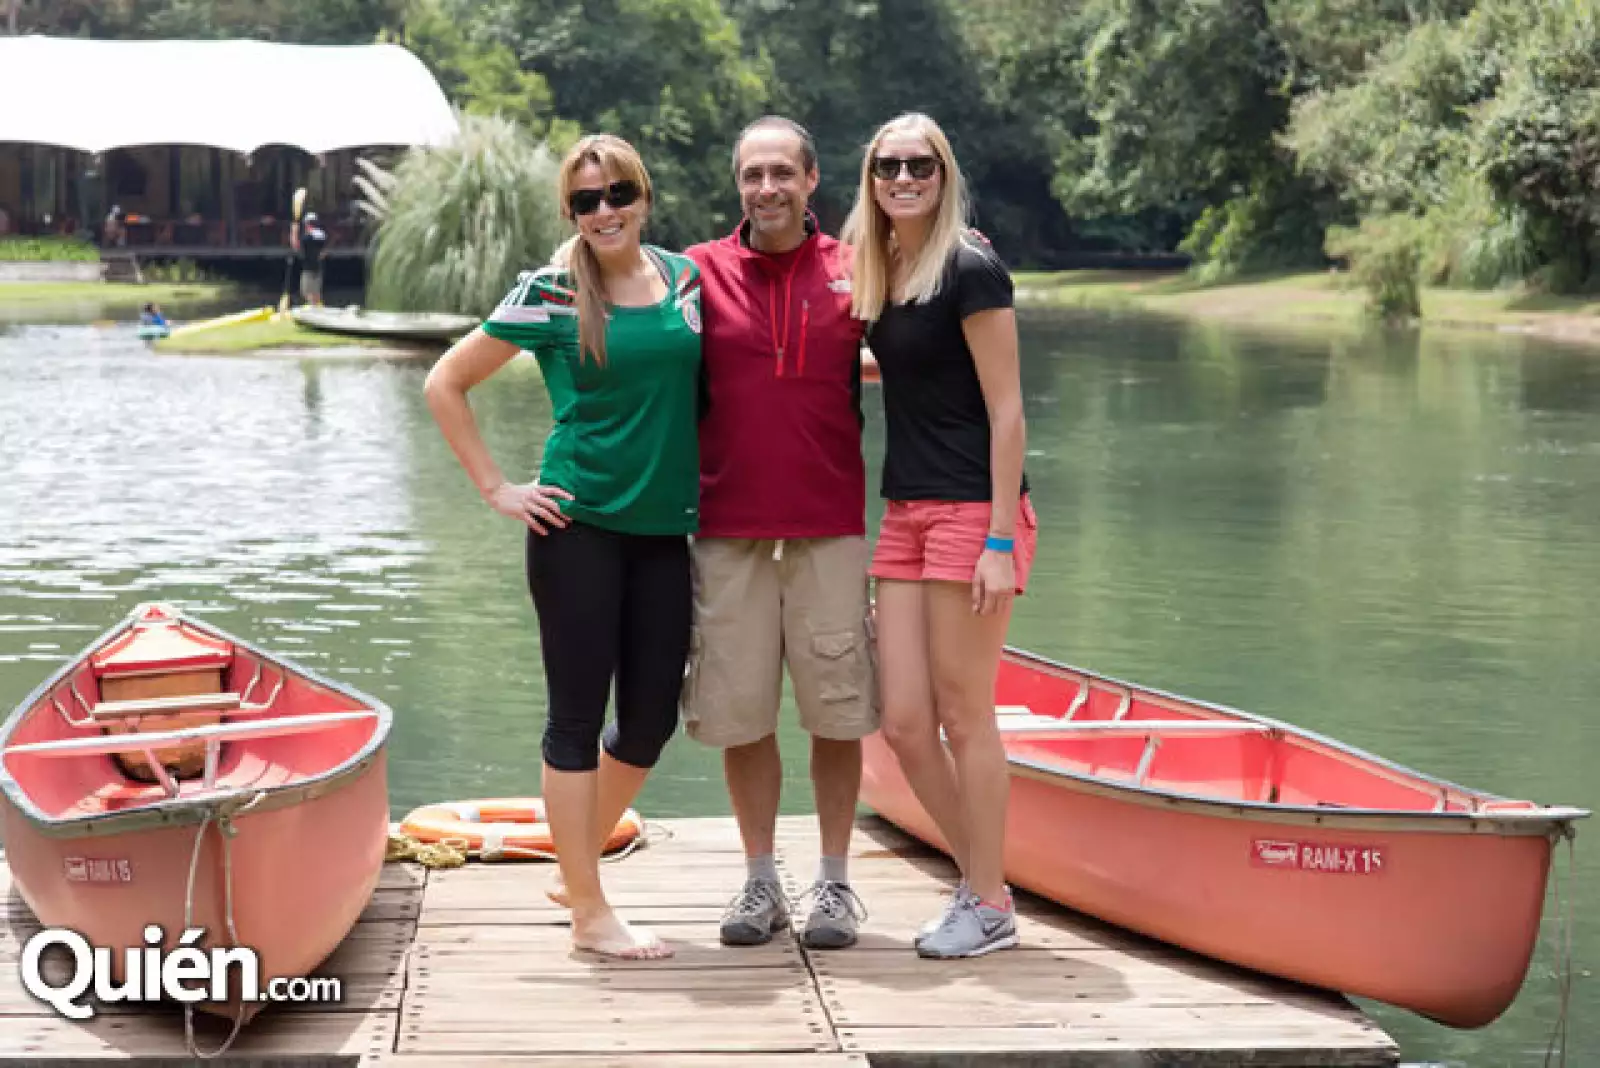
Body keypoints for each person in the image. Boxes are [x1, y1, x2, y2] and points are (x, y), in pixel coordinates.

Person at [423, 133, 703, 961]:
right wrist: (497, 489)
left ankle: (573, 863)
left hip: (663, 531)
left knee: (649, 721)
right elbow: (446, 381)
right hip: (573, 527)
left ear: (643, 197)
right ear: (570, 213)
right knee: (576, 720)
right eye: (586, 201)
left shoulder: (686, 280)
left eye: (618, 193)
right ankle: (588, 909)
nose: (605, 211)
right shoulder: (548, 293)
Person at [840, 111, 1035, 959]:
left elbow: (1007, 407)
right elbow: (911, 363)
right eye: (889, 166)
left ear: (943, 172)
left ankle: (986, 899)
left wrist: (999, 539)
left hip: (970, 513)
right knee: (906, 722)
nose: (904, 178)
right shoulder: (889, 266)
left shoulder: (969, 265)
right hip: (906, 510)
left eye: (920, 165)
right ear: (872, 179)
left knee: (965, 713)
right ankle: (984, 883)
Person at [682, 116, 877, 950]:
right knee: (742, 713)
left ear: (811, 180)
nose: (766, 188)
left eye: (781, 174)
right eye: (752, 175)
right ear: (739, 185)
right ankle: (761, 881)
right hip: (725, 530)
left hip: (828, 526)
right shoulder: (695, 271)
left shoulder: (858, 270)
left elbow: (935, 350)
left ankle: (834, 884)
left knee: (837, 714)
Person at [292, 212, 327, 306]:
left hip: (308, 268)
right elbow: (323, 252)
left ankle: (313, 308)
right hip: (318, 267)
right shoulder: (322, 235)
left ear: (307, 224)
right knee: (316, 292)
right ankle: (318, 307)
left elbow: (296, 246)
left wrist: (294, 232)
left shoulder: (307, 237)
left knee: (306, 292)